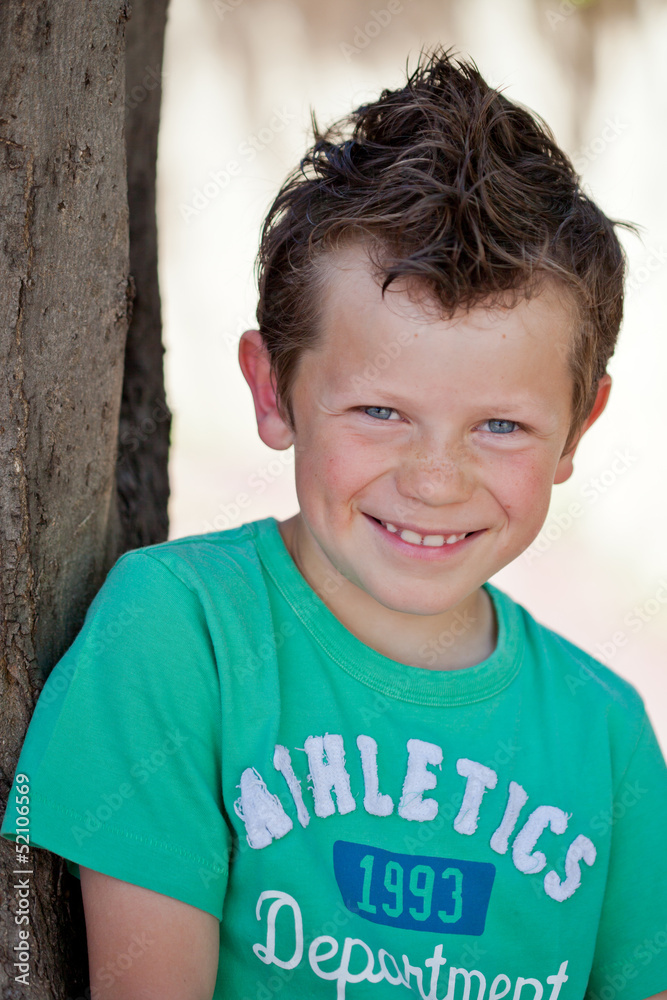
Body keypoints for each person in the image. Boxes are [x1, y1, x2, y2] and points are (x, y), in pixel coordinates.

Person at [2, 45, 666, 1000]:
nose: (434, 480)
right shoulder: (179, 634)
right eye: (380, 411)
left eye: (500, 426)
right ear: (273, 391)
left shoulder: (607, 736)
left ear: (578, 429)